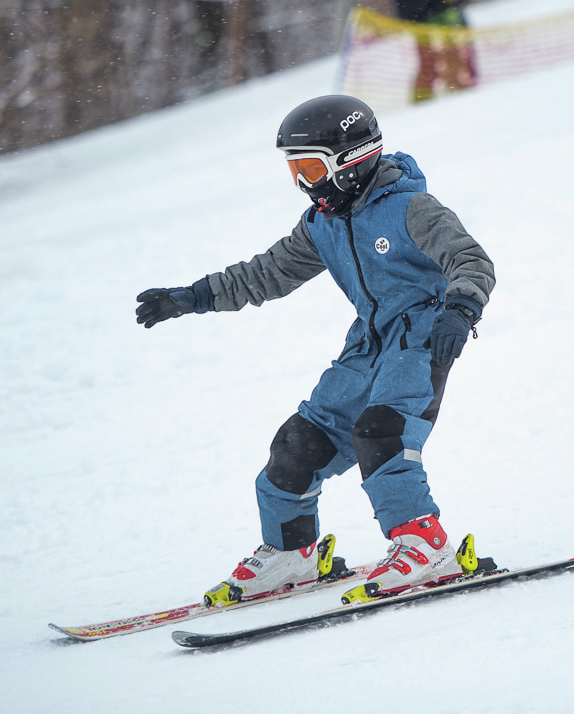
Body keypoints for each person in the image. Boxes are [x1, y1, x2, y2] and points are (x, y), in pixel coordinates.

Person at [135, 95, 495, 605]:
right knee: (298, 442)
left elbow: (470, 259)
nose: (303, 182)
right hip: (366, 343)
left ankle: (425, 544)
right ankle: (291, 553)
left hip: (421, 339)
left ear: (350, 160)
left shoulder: (412, 209)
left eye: (309, 167)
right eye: (294, 170)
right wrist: (194, 296)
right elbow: (267, 273)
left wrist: (460, 310)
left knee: (382, 433)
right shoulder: (323, 223)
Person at [389, 0, 479, 102]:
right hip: (433, 4)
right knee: (449, 55)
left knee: (429, 60)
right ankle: (456, 94)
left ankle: (423, 100)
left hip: (412, 5)